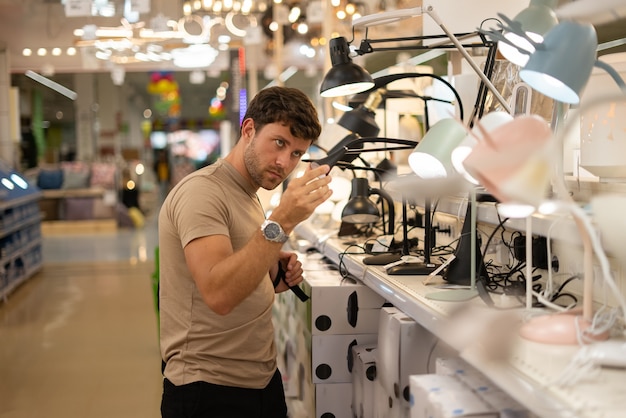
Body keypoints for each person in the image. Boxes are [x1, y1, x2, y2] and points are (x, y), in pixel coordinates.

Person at [158, 86, 332, 418]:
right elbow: (219, 293)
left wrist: (268, 271)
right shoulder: (202, 193)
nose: (285, 162)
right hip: (208, 390)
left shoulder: (248, 193)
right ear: (249, 130)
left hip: (259, 380)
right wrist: (281, 222)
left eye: (297, 153)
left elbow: (236, 267)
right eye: (279, 143)